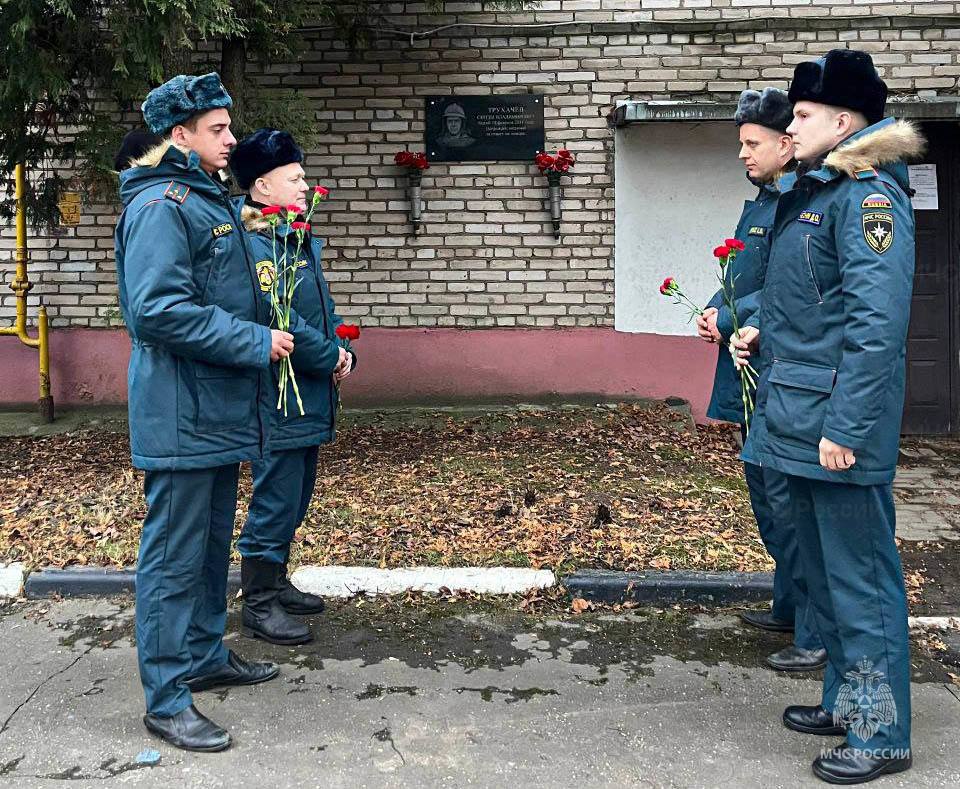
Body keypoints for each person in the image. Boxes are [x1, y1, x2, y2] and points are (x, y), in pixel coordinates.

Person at [115, 73, 345, 752]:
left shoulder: (208, 201)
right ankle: (165, 697)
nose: (231, 138)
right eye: (218, 128)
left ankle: (206, 651)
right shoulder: (164, 204)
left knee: (213, 547)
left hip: (216, 413)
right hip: (181, 413)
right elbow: (155, 310)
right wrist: (256, 340)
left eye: (228, 126)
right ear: (179, 135)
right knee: (172, 558)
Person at [737, 49, 924, 784]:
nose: (793, 123)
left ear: (845, 121)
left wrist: (846, 428)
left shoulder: (868, 198)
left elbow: (876, 328)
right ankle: (848, 701)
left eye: (804, 114)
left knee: (861, 586)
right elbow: (816, 308)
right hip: (795, 422)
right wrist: (757, 326)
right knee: (824, 577)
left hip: (836, 431)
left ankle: (879, 734)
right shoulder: (815, 193)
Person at [697, 88, 825, 673]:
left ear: (784, 144)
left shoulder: (796, 205)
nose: (744, 155)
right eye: (741, 144)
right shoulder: (761, 202)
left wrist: (728, 318)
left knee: (787, 497)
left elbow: (784, 287)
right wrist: (710, 308)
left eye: (752, 144)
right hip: (748, 362)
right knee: (764, 490)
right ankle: (788, 603)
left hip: (777, 365)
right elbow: (740, 272)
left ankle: (816, 627)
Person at [229, 128, 355, 645]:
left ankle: (276, 583)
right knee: (276, 499)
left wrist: (344, 347)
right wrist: (329, 356)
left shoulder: (295, 240)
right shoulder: (257, 245)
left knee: (296, 496)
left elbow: (319, 314)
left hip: (306, 396)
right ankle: (257, 603)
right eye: (295, 176)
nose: (305, 185)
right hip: (278, 399)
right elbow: (276, 317)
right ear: (262, 185)